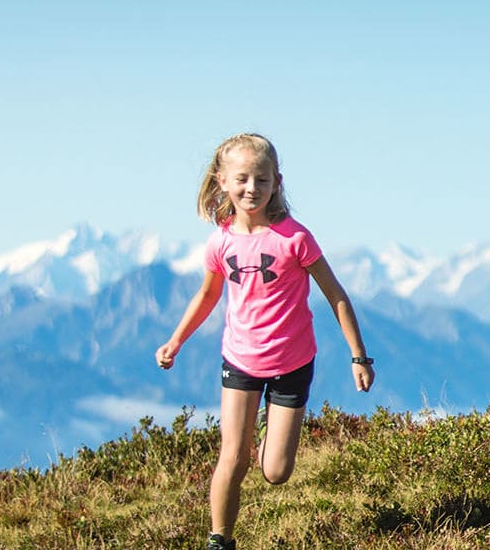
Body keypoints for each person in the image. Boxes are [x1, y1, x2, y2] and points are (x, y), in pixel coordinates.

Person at [154, 133, 375, 550]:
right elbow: (206, 296)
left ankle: (271, 438)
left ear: (277, 181)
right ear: (222, 181)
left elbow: (337, 295)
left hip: (292, 361)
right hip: (239, 360)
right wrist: (175, 341)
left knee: (275, 471)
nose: (251, 189)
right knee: (232, 458)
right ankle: (219, 540)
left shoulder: (295, 238)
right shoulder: (221, 241)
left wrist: (359, 356)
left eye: (261, 180)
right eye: (241, 179)